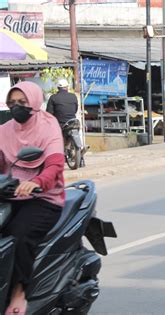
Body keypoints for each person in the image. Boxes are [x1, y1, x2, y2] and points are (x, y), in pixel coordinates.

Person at [0, 81, 65, 315]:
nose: (16, 107)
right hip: (9, 195)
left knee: (19, 236)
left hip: (43, 197)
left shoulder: (48, 125)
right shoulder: (5, 129)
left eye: (22, 103)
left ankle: (19, 293)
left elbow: (55, 164)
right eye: (12, 103)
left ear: (35, 103)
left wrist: (35, 182)